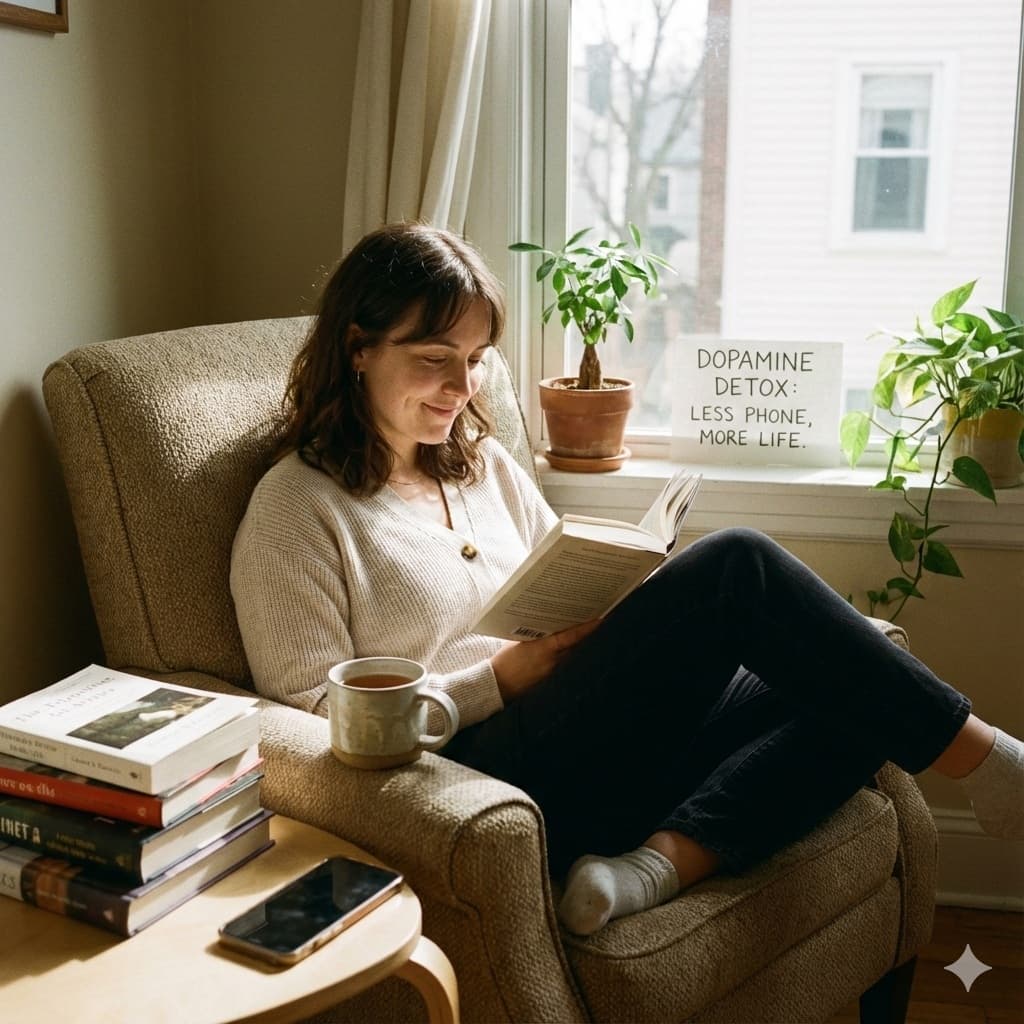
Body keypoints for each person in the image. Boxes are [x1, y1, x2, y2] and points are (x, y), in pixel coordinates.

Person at [230, 222, 1024, 936]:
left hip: (593, 735)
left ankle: (647, 868)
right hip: (481, 770)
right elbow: (311, 717)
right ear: (357, 347)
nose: (463, 386)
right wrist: (496, 679)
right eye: (434, 360)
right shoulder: (296, 507)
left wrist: (619, 604)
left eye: (475, 361)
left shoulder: (484, 466)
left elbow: (558, 582)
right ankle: (990, 766)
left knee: (856, 669)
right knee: (737, 564)